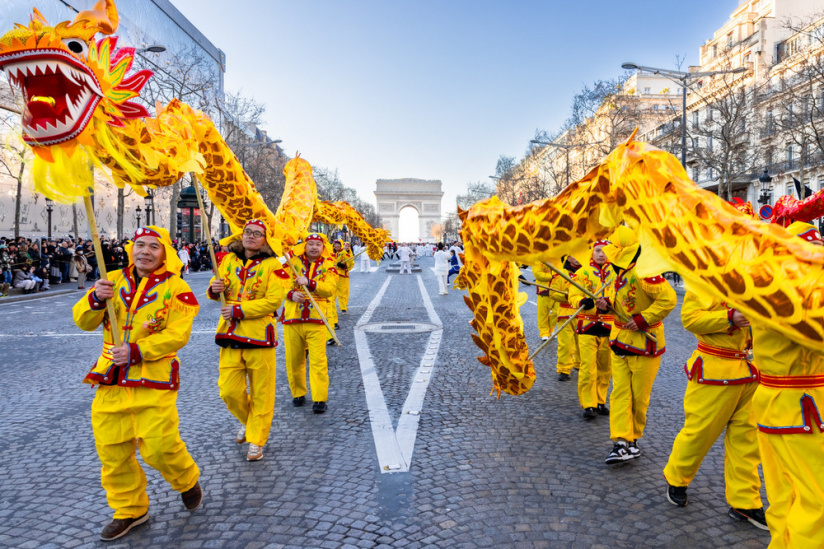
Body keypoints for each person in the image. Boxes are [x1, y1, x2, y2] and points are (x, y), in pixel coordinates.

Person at [72, 226, 202, 541]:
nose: (145, 251)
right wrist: (94, 300)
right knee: (112, 452)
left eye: (153, 247)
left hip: (152, 380)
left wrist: (137, 350)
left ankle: (186, 480)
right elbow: (83, 322)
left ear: (164, 253)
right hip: (111, 379)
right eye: (139, 245)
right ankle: (130, 510)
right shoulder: (111, 279)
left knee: (159, 448)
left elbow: (178, 333)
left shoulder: (177, 288)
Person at [662, 290, 765, 528]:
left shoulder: (765, 280)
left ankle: (744, 502)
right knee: (699, 433)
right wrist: (729, 317)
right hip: (714, 371)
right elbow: (690, 318)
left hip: (753, 372)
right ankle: (677, 479)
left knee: (748, 440)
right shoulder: (707, 279)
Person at [751, 221, 823, 546]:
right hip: (799, 408)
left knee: (785, 497)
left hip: (781, 404)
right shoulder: (792, 295)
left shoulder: (772, 288)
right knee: (817, 501)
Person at [207, 220, 287, 462]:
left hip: (259, 336)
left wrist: (239, 310)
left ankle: (256, 439)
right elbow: (218, 293)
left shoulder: (275, 264)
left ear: (265, 239)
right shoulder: (227, 260)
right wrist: (214, 288)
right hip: (229, 334)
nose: (251, 237)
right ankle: (249, 421)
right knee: (228, 391)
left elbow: (274, 300)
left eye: (258, 234)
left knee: (262, 392)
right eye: (248, 232)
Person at [602, 226, 677, 464]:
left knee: (639, 397)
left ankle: (633, 440)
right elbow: (616, 299)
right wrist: (604, 303)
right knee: (619, 394)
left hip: (645, 345)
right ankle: (621, 442)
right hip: (619, 341)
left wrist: (644, 319)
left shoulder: (645, 271)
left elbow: (668, 299)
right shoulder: (615, 272)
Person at [282, 233, 337, 413]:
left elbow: (330, 289)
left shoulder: (329, 265)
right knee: (293, 359)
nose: (314, 247)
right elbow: (278, 283)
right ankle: (298, 393)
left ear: (323, 247)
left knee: (318, 361)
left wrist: (311, 283)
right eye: (310, 244)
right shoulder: (291, 262)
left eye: (318, 245)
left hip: (317, 318)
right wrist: (290, 294)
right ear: (304, 245)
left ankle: (319, 398)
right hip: (293, 317)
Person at [568, 241, 615, 420]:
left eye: (605, 251)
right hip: (587, 326)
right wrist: (581, 302)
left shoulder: (617, 273)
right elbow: (572, 295)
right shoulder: (582, 273)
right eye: (598, 251)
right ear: (592, 253)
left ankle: (601, 400)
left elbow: (622, 296)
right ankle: (589, 404)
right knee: (588, 368)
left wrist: (610, 303)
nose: (601, 254)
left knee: (606, 368)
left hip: (610, 327)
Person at [549, 255, 581, 381]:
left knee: (582, 344)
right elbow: (553, 293)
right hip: (565, 314)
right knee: (565, 345)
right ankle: (564, 369)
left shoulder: (587, 273)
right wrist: (569, 297)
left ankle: (581, 365)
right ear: (568, 258)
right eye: (574, 254)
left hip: (583, 313)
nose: (578, 257)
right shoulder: (560, 274)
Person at [531, 262, 558, 341]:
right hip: (543, 291)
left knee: (557, 312)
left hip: (556, 291)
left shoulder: (557, 259)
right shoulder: (538, 260)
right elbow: (537, 274)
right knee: (543, 314)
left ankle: (551, 329)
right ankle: (544, 332)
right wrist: (551, 276)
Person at [331, 239, 353, 315]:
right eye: (335, 244)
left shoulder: (344, 253)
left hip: (342, 276)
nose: (336, 245)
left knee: (342, 292)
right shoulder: (330, 253)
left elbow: (350, 262)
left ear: (341, 245)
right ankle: (330, 306)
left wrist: (344, 266)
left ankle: (343, 308)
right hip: (332, 275)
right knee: (331, 291)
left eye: (338, 244)